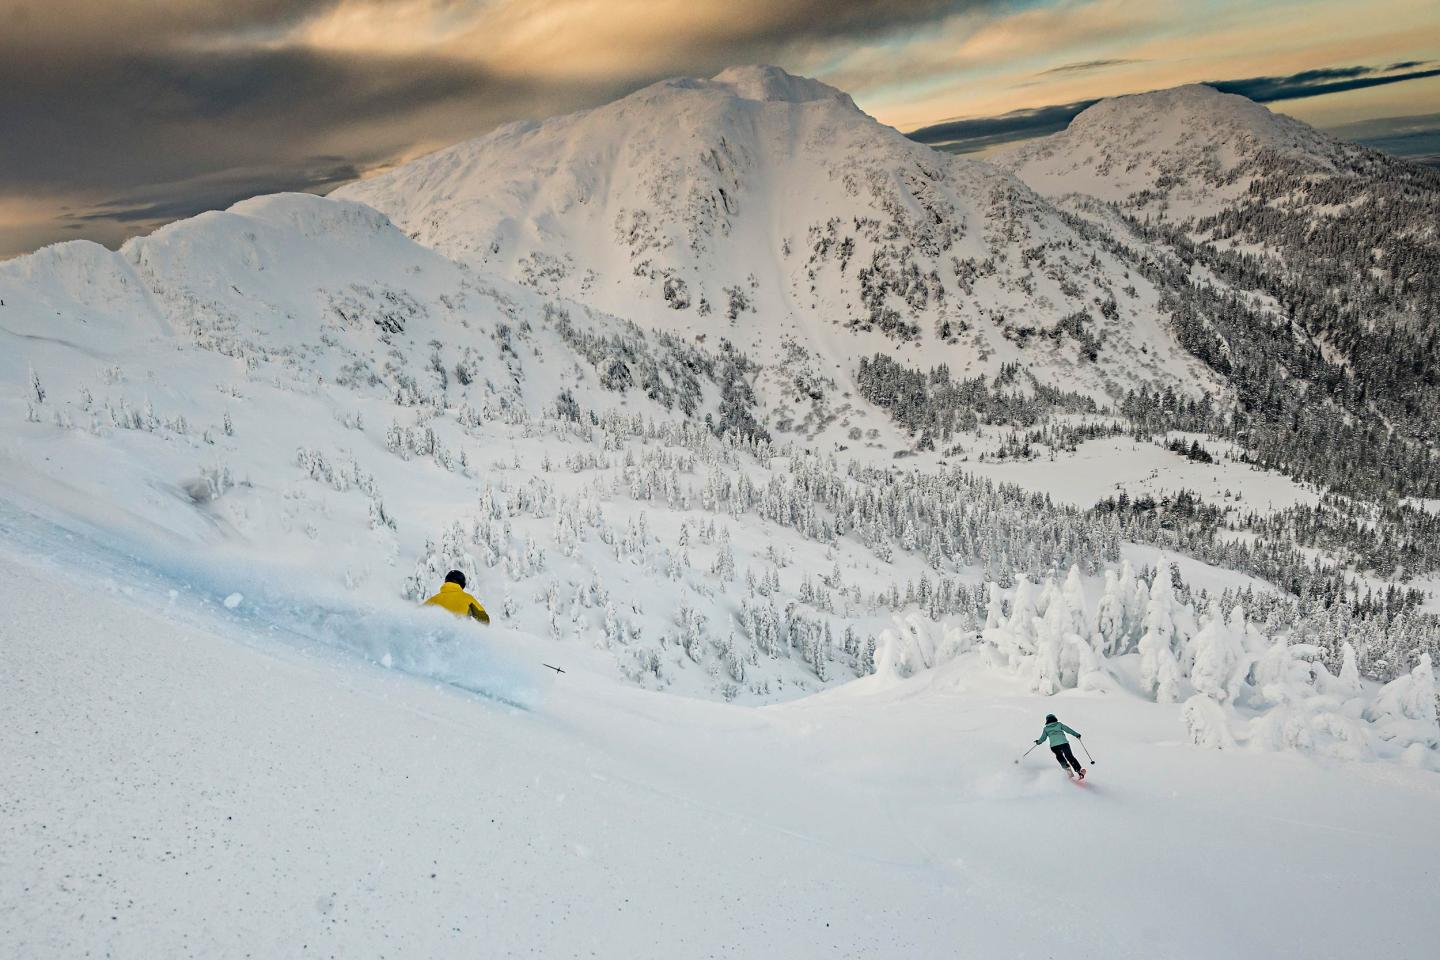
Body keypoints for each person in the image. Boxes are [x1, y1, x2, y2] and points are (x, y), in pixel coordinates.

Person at [424, 570, 490, 624]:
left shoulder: (434, 599)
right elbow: (485, 620)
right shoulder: (467, 598)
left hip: (436, 636)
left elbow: (417, 617)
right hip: (460, 636)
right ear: (462, 583)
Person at [1035, 713, 1085, 779]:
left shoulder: (1046, 729)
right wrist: (1076, 734)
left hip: (1054, 746)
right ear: (1054, 718)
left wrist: (1038, 742)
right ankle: (1079, 770)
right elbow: (1068, 730)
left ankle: (1067, 768)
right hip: (1064, 743)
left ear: (1047, 720)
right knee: (1069, 756)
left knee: (1059, 756)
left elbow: (1043, 738)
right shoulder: (1059, 724)